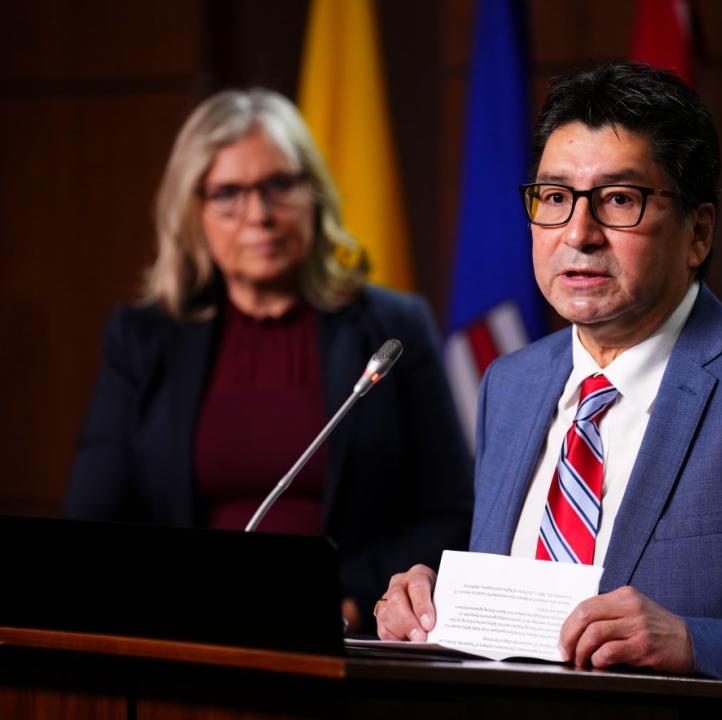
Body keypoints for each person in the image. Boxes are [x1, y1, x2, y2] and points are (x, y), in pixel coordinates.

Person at [373, 63, 722, 717]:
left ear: (698, 233)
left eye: (619, 199)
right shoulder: (510, 384)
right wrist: (438, 611)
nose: (578, 233)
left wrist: (698, 645)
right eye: (555, 197)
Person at [65, 88, 473, 631]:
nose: (258, 215)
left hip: (346, 634)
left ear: (315, 195)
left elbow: (448, 513)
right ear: (193, 210)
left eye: (279, 186)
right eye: (228, 193)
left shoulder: (394, 328)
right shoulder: (145, 338)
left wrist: (356, 599)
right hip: (186, 630)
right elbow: (94, 518)